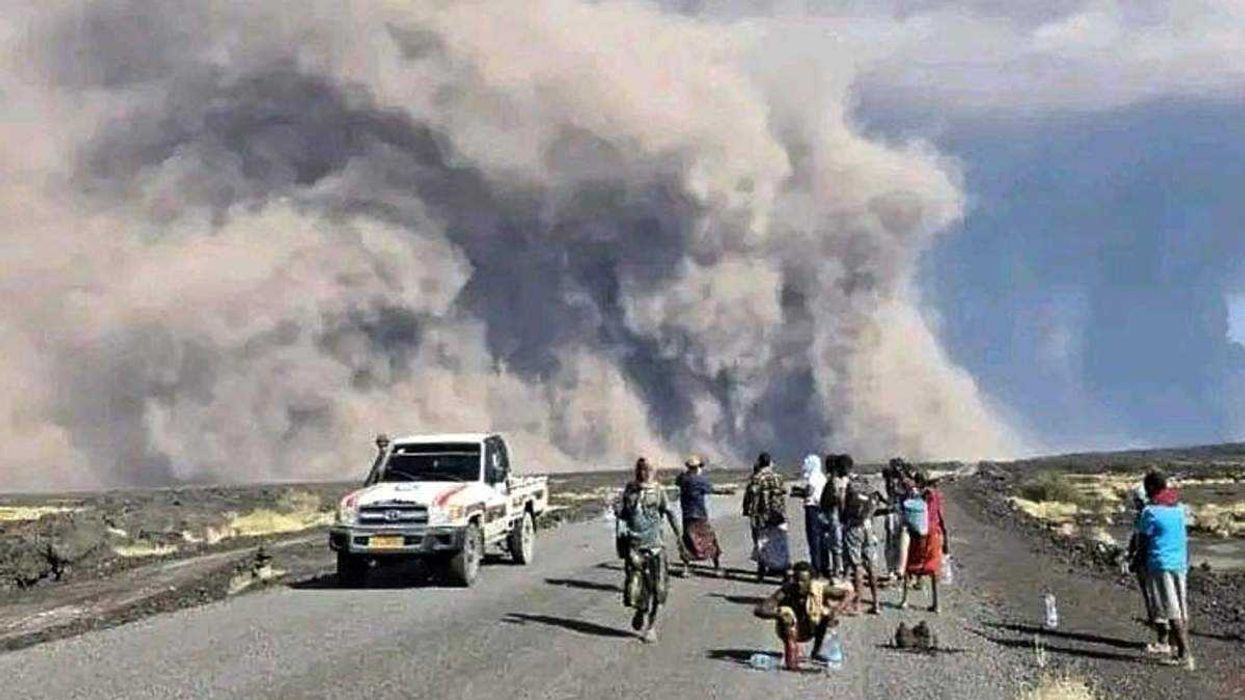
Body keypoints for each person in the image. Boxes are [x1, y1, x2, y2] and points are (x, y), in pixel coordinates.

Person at [617, 457, 683, 642]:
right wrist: (618, 513)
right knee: (634, 588)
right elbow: (624, 515)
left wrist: (680, 537)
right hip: (635, 547)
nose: (644, 473)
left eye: (648, 469)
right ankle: (640, 610)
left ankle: (651, 626)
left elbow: (670, 513)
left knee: (658, 589)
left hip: (655, 547)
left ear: (654, 472)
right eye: (641, 469)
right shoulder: (630, 490)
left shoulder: (659, 491)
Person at [1138, 470, 1194, 669]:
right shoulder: (1178, 508)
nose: (1146, 491)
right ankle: (1174, 646)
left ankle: (1184, 654)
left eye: (1147, 487)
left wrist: (1137, 563)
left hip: (1160, 563)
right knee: (1180, 606)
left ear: (1152, 487)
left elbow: (1143, 542)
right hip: (1180, 563)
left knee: (1170, 609)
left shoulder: (1150, 512)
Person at [753, 561, 851, 671]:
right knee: (786, 615)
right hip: (790, 628)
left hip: (811, 627)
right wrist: (778, 615)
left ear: (811, 581)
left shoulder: (818, 589)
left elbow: (847, 594)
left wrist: (836, 611)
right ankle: (791, 660)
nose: (800, 584)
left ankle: (817, 651)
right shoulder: (787, 591)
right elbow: (760, 609)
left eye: (803, 581)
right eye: (797, 580)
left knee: (826, 617)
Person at [832, 456, 885, 615]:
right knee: (871, 565)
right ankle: (876, 603)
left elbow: (841, 504)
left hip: (853, 527)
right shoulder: (862, 481)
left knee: (857, 566)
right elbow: (875, 501)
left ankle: (858, 604)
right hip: (868, 526)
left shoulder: (843, 483)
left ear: (839, 468)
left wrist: (843, 520)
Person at [900, 471, 948, 613]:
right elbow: (941, 517)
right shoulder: (937, 496)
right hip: (934, 534)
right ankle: (937, 604)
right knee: (933, 568)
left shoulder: (916, 496)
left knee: (910, 565)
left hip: (918, 534)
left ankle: (904, 600)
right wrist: (945, 539)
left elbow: (907, 512)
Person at [743, 452, 789, 582]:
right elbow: (783, 493)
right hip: (778, 515)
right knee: (777, 543)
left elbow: (750, 496)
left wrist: (747, 511)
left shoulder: (756, 478)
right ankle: (782, 570)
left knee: (761, 543)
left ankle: (761, 572)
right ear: (770, 463)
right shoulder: (778, 477)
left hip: (761, 516)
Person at [1126, 485, 1161, 649]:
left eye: (1137, 500)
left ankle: (1163, 637)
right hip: (1151, 560)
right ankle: (1160, 630)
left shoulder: (1147, 515)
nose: (1135, 503)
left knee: (1154, 597)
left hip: (1149, 561)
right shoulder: (1148, 514)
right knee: (1152, 596)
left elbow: (1142, 540)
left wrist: (1134, 559)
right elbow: (1136, 538)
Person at [675, 455, 722, 576]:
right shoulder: (700, 480)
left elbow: (677, 481)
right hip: (700, 514)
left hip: (687, 514)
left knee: (687, 540)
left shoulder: (683, 479)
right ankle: (717, 567)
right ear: (697, 467)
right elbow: (710, 489)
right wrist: (725, 492)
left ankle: (686, 568)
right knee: (710, 540)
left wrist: (684, 473)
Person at [799, 454, 829, 577]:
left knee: (813, 538)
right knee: (822, 538)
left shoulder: (813, 477)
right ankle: (824, 565)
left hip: (812, 509)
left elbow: (809, 491)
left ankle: (816, 567)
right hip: (822, 508)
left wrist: (800, 492)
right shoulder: (822, 477)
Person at [881, 458, 910, 579]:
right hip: (895, 513)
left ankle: (897, 569)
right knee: (893, 541)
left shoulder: (901, 480)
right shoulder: (893, 480)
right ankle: (893, 569)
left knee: (899, 542)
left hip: (898, 512)